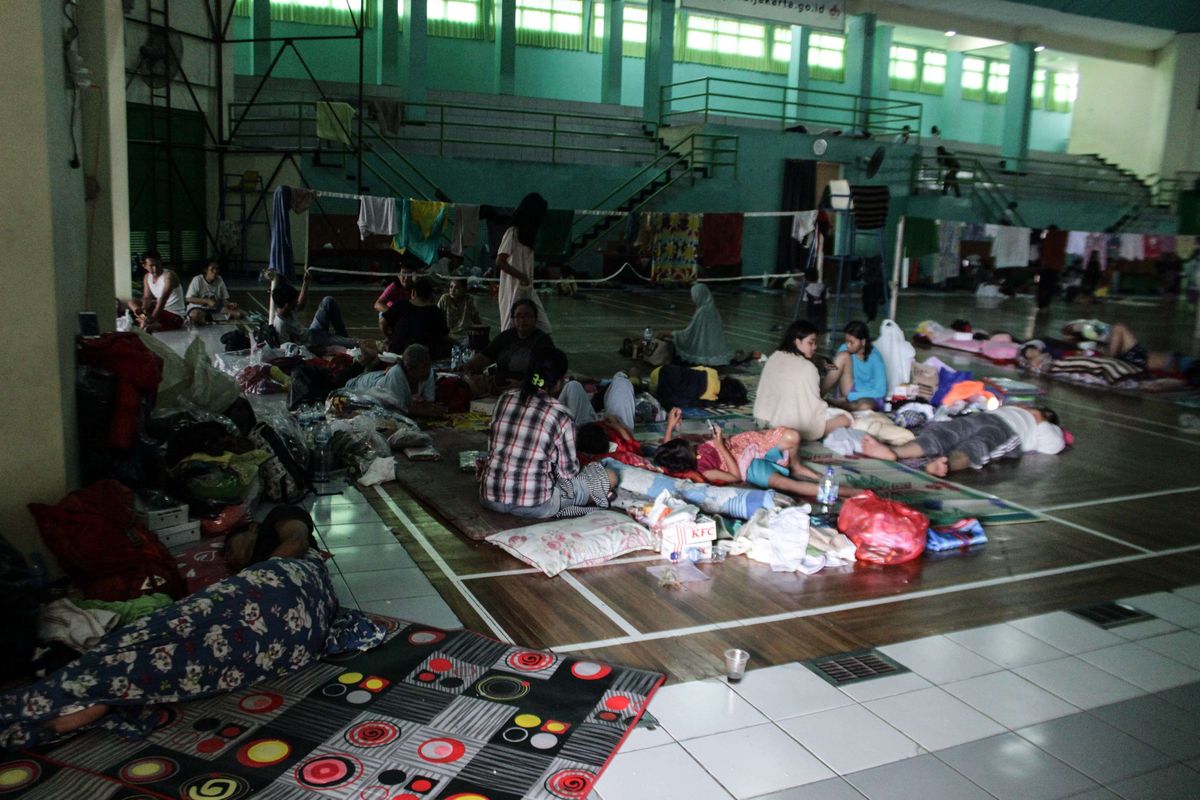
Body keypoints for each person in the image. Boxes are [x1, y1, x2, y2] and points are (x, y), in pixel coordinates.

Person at [0, 506, 387, 750]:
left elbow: (298, 540)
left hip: (293, 583)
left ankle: (90, 686)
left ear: (250, 531)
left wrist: (258, 572)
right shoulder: (239, 575)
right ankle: (104, 690)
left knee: (190, 628)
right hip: (293, 634)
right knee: (196, 642)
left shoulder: (279, 524)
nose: (228, 557)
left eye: (232, 549)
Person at [480, 347, 616, 519]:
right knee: (610, 476)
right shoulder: (561, 416)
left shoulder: (504, 399)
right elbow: (568, 473)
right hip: (536, 505)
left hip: (490, 497)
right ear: (559, 382)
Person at [653, 409, 832, 499]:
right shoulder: (704, 470)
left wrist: (670, 424)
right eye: (691, 449)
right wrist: (720, 446)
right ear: (685, 459)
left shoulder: (679, 456)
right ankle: (837, 493)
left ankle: (796, 465)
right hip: (748, 468)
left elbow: (668, 450)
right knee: (789, 485)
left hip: (744, 444)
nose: (695, 447)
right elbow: (735, 475)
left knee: (792, 436)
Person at [861, 405, 1066, 477]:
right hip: (981, 417)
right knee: (942, 433)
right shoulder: (1018, 407)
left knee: (977, 447)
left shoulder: (1041, 426)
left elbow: (1054, 445)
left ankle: (944, 464)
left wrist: (1042, 421)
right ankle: (894, 452)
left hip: (1007, 430)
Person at [754, 320, 852, 440]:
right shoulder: (807, 367)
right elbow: (815, 409)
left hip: (761, 420)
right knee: (845, 419)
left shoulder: (774, 356)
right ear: (796, 341)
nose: (815, 347)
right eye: (811, 343)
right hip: (786, 428)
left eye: (815, 343)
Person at [464, 299, 554, 395]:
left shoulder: (543, 341)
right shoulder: (506, 336)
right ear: (513, 320)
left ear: (535, 319)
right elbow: (486, 356)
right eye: (518, 316)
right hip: (496, 388)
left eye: (527, 316)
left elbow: (547, 376)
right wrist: (468, 366)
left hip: (526, 390)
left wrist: (521, 385)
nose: (523, 320)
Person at [497, 192, 551, 335]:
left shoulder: (528, 236)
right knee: (510, 324)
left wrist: (525, 280)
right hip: (513, 287)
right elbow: (500, 261)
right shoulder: (513, 232)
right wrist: (521, 276)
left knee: (542, 325)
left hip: (526, 287)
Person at [343, 344, 443, 417]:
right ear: (410, 369)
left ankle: (372, 361)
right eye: (424, 367)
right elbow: (401, 410)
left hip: (379, 377)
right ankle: (366, 359)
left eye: (429, 365)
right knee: (341, 383)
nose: (429, 369)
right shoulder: (397, 376)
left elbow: (429, 402)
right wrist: (426, 412)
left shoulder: (427, 373)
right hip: (360, 385)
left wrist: (433, 409)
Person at [270, 270, 357, 351]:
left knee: (328, 301)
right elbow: (289, 350)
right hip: (313, 343)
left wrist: (306, 283)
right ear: (286, 304)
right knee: (356, 343)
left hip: (311, 333)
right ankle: (345, 342)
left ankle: (343, 338)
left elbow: (301, 305)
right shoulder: (280, 325)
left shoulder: (286, 309)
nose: (296, 302)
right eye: (294, 301)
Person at [655, 283, 731, 366]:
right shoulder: (712, 309)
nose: (692, 299)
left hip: (704, 354)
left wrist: (668, 333)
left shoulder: (702, 312)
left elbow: (689, 335)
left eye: (693, 296)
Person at [823, 321, 888, 409]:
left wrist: (851, 396)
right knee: (843, 356)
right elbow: (834, 374)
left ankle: (838, 404)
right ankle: (818, 395)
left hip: (868, 396)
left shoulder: (875, 358)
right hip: (848, 390)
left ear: (863, 342)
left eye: (852, 342)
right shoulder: (844, 349)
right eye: (846, 341)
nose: (848, 345)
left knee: (865, 406)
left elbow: (880, 391)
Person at [382, 276, 451, 359]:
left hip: (397, 353)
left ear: (413, 292)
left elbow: (382, 322)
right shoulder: (436, 312)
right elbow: (443, 335)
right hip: (422, 357)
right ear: (430, 295)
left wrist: (389, 337)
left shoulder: (400, 305)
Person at [128, 250, 186, 332]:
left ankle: (148, 323)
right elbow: (147, 297)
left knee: (149, 325)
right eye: (151, 266)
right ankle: (145, 320)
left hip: (173, 313)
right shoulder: (147, 277)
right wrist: (143, 311)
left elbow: (163, 300)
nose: (155, 268)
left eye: (157, 265)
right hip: (158, 310)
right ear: (144, 266)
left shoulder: (169, 275)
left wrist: (151, 319)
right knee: (132, 302)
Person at [558, 371, 637, 429]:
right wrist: (619, 428)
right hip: (590, 437)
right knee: (622, 382)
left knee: (621, 382)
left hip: (588, 435)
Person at [185, 259, 242, 326]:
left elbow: (223, 299)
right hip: (198, 308)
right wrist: (206, 301)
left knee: (239, 314)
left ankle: (208, 320)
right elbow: (188, 299)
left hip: (215, 308)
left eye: (217, 269)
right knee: (196, 314)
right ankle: (209, 320)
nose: (215, 271)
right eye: (212, 269)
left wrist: (229, 304)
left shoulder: (219, 279)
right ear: (206, 270)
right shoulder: (197, 280)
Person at [438, 277, 482, 342]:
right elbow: (437, 318)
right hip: (448, 335)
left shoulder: (469, 299)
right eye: (451, 287)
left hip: (465, 336)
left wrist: (482, 333)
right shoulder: (445, 299)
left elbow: (476, 318)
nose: (452, 290)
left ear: (464, 290)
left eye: (457, 288)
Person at [803, 267, 828, 333]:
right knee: (822, 330)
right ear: (817, 277)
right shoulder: (823, 286)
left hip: (811, 312)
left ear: (805, 278)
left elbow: (805, 300)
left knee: (811, 330)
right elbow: (827, 296)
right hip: (822, 312)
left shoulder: (807, 289)